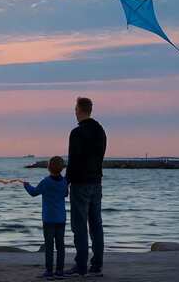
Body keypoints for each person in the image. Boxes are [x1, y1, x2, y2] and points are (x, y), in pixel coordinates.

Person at [65, 97, 107, 277]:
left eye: (75, 109)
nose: (74, 111)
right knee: (96, 224)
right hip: (96, 182)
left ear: (80, 110)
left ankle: (81, 265)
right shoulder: (100, 130)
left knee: (79, 225)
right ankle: (96, 265)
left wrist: (65, 181)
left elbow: (73, 160)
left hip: (80, 183)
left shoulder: (77, 132)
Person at [23, 156, 68, 279]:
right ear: (62, 168)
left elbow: (34, 192)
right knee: (60, 245)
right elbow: (65, 193)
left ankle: (49, 271)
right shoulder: (64, 182)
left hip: (48, 219)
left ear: (48, 168)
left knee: (49, 246)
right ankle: (59, 271)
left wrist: (26, 185)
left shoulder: (46, 181)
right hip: (61, 218)